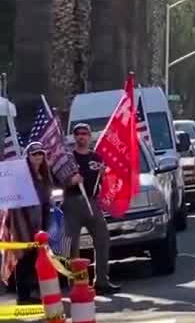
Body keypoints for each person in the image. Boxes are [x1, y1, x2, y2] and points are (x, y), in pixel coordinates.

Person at [57, 123, 118, 294]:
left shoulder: (96, 158)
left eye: (84, 133)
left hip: (92, 202)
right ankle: (76, 284)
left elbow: (105, 183)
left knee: (103, 239)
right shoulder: (68, 158)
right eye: (78, 134)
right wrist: (70, 181)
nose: (81, 136)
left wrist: (105, 175)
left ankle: (102, 281)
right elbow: (57, 181)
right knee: (71, 246)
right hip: (71, 202)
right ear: (74, 136)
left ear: (89, 136)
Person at [0, 143, 56, 304]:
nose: (38, 156)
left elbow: (47, 197)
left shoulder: (44, 174)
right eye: (34, 154)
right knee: (23, 257)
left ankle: (33, 291)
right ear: (28, 157)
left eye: (40, 153)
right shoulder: (22, 176)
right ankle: (23, 296)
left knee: (36, 256)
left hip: (40, 218)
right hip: (22, 220)